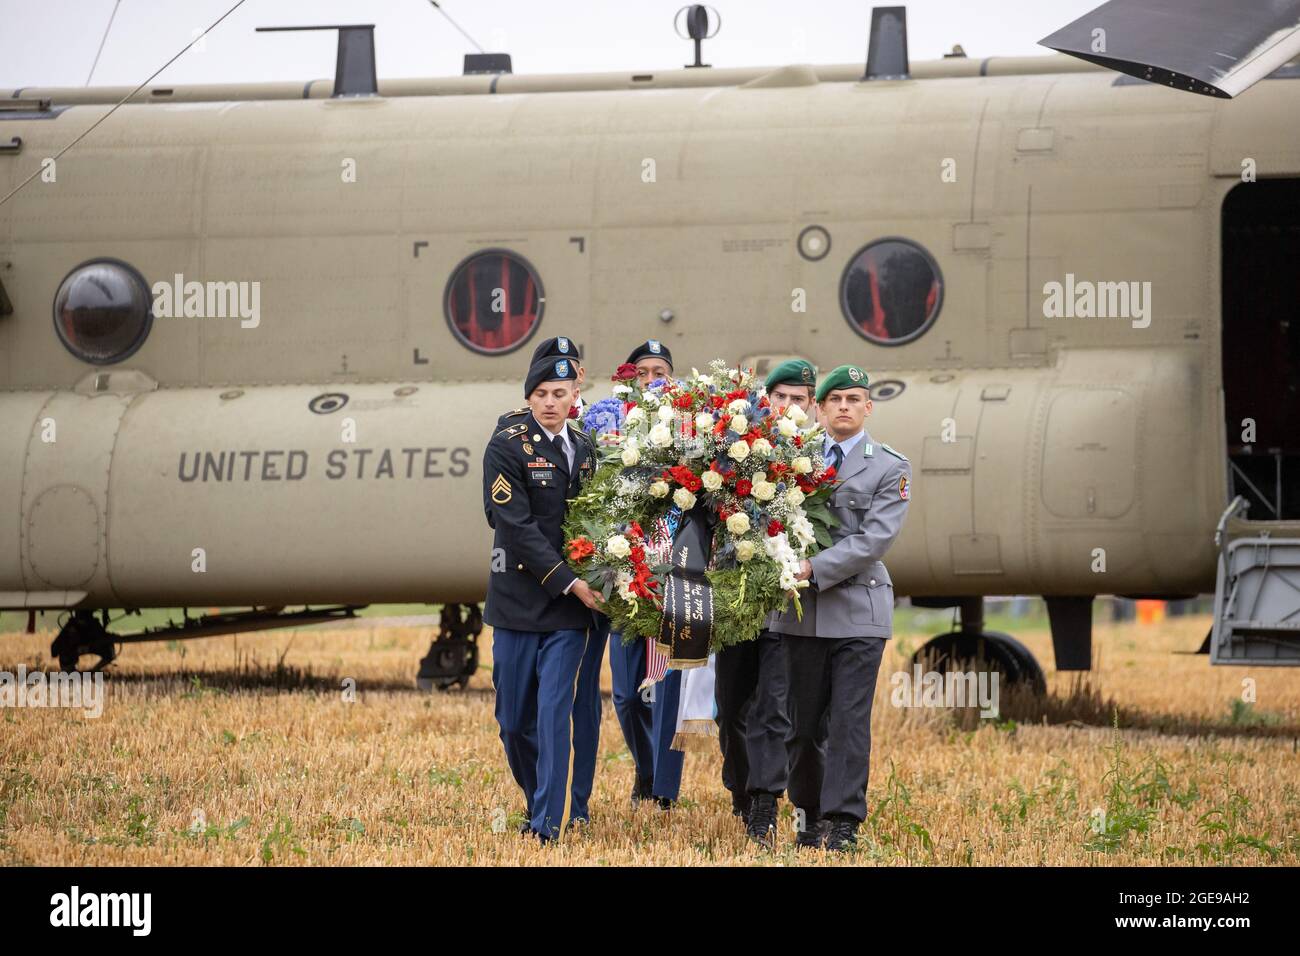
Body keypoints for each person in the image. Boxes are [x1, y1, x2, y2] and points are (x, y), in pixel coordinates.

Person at [749, 364, 911, 852]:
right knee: (801, 726)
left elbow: (873, 540)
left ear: (868, 408)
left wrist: (810, 568)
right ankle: (809, 813)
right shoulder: (788, 459)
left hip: (859, 610)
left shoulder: (889, 466)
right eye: (835, 399)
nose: (844, 406)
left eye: (854, 399)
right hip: (800, 615)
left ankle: (843, 823)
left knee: (847, 722)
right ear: (818, 407)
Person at [482, 354, 603, 843]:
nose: (550, 403)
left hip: (569, 612)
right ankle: (537, 799)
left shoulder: (587, 447)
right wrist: (572, 581)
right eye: (541, 394)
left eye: (560, 393)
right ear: (528, 397)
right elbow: (514, 527)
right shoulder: (506, 445)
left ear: (576, 395)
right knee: (514, 723)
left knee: (555, 711)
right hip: (518, 601)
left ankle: (547, 826)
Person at [714, 359, 816, 829]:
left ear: (811, 405)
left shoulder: (817, 458)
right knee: (731, 706)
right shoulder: (736, 450)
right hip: (737, 605)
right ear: (766, 401)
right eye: (782, 398)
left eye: (799, 399)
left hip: (785, 604)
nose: (790, 406)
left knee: (773, 708)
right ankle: (740, 785)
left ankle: (764, 802)